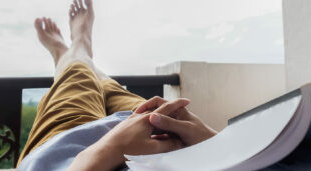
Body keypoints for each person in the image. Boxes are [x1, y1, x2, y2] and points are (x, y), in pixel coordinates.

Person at [17, 0, 217, 170]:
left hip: (66, 156)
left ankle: (76, 52)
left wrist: (107, 152)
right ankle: (80, 56)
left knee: (77, 80)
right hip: (158, 142)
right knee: (123, 96)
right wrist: (217, 145)